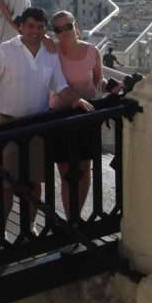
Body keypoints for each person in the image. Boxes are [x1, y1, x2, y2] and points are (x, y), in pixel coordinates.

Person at [0, 7, 94, 235]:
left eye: (41, 27)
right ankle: (0, 232)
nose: (36, 31)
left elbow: (60, 85)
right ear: (21, 26)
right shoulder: (5, 51)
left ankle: (28, 226)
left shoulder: (50, 54)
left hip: (38, 125)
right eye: (31, 26)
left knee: (34, 180)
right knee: (8, 182)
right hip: (9, 123)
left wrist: (76, 99)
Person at [49, 11, 106, 219]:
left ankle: (74, 218)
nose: (64, 32)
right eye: (58, 29)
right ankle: (71, 219)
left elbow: (99, 81)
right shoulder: (53, 53)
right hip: (61, 117)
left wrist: (114, 88)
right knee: (66, 172)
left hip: (87, 116)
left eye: (67, 26)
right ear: (54, 32)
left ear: (76, 26)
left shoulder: (93, 51)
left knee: (84, 169)